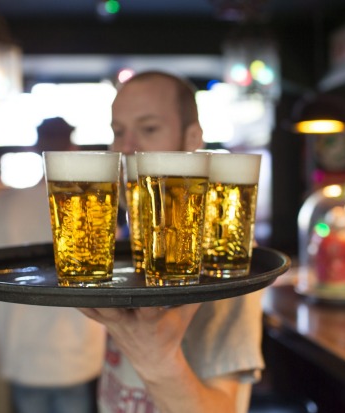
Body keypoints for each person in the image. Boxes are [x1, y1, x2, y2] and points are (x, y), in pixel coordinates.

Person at [79, 71, 265, 413]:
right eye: (117, 131)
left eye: (148, 129)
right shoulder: (126, 234)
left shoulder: (219, 255)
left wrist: (157, 362)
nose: (124, 147)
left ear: (192, 137)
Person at [0, 117, 106, 413]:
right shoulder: (90, 207)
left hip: (23, 346)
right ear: (72, 146)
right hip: (76, 348)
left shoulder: (4, 205)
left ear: (37, 145)